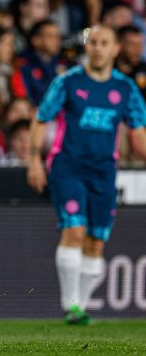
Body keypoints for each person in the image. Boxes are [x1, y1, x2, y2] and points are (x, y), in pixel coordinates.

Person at [27, 25, 146, 326]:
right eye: (93, 42)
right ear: (86, 46)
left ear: (116, 49)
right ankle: (72, 306)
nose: (97, 48)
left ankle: (79, 306)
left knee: (96, 241)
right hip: (68, 167)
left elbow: (138, 135)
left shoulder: (127, 89)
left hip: (105, 173)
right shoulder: (68, 81)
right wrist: (35, 160)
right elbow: (41, 120)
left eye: (104, 43)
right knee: (75, 231)